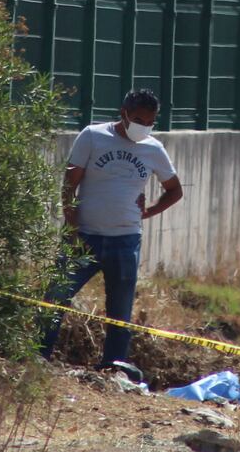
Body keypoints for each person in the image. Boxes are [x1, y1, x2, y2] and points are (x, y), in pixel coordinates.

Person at [40, 88, 183, 373]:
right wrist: (71, 228)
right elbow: (70, 185)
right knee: (56, 298)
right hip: (84, 237)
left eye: (150, 122)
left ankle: (113, 366)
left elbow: (174, 190)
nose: (144, 126)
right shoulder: (93, 136)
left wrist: (148, 212)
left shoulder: (153, 149)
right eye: (139, 119)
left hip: (125, 240)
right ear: (124, 114)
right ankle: (37, 355)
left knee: (120, 311)